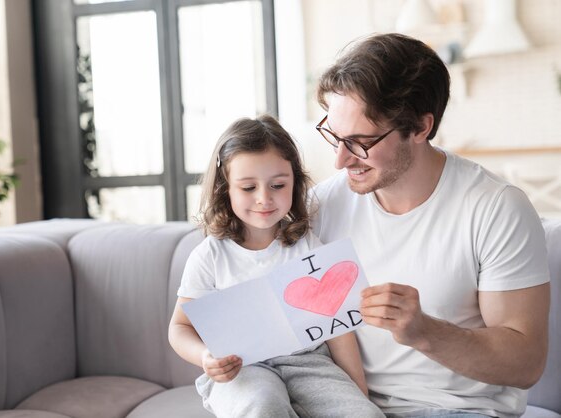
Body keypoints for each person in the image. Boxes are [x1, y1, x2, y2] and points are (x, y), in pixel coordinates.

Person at [311, 32, 551, 418]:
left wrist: (424, 331)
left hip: (454, 410)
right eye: (334, 136)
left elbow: (525, 364)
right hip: (346, 404)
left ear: (421, 128)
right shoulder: (322, 205)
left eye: (360, 142)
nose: (340, 161)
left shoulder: (495, 208)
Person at [168, 115, 385, 418]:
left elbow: (339, 329)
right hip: (242, 367)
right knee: (262, 407)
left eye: (278, 185)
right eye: (247, 188)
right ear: (224, 189)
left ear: (294, 183)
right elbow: (179, 328)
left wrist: (360, 396)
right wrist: (205, 357)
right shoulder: (210, 256)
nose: (264, 198)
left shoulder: (307, 245)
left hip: (310, 364)